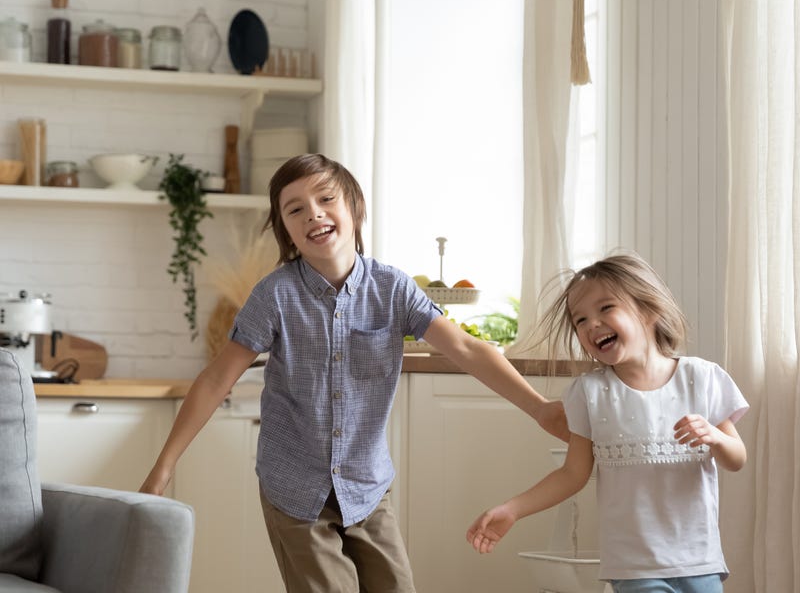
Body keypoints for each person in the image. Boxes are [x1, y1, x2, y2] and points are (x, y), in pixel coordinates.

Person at [141, 153, 568, 593]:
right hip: (294, 489)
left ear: (354, 207)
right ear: (285, 230)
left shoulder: (393, 288)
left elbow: (466, 348)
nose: (314, 213)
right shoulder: (275, 296)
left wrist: (540, 410)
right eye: (296, 209)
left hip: (367, 488)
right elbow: (216, 380)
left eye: (326, 198)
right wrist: (164, 466)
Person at [465, 252, 749, 593]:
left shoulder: (703, 378)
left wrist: (716, 437)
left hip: (700, 561)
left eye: (605, 309)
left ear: (648, 310)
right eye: (580, 320)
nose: (592, 325)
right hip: (634, 568)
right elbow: (572, 474)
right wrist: (512, 508)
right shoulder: (589, 392)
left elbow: (737, 459)